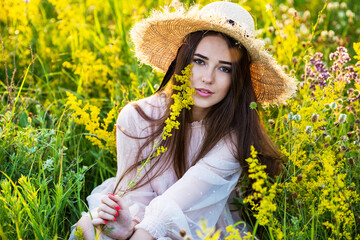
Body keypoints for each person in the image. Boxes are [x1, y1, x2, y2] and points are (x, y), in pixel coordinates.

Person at [70, 1, 297, 240]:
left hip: (197, 225)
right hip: (138, 213)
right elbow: (134, 196)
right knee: (87, 228)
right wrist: (129, 226)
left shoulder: (232, 139)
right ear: (183, 60)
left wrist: (137, 234)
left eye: (224, 69)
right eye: (199, 61)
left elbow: (168, 213)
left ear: (237, 79)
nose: (207, 78)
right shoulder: (137, 116)